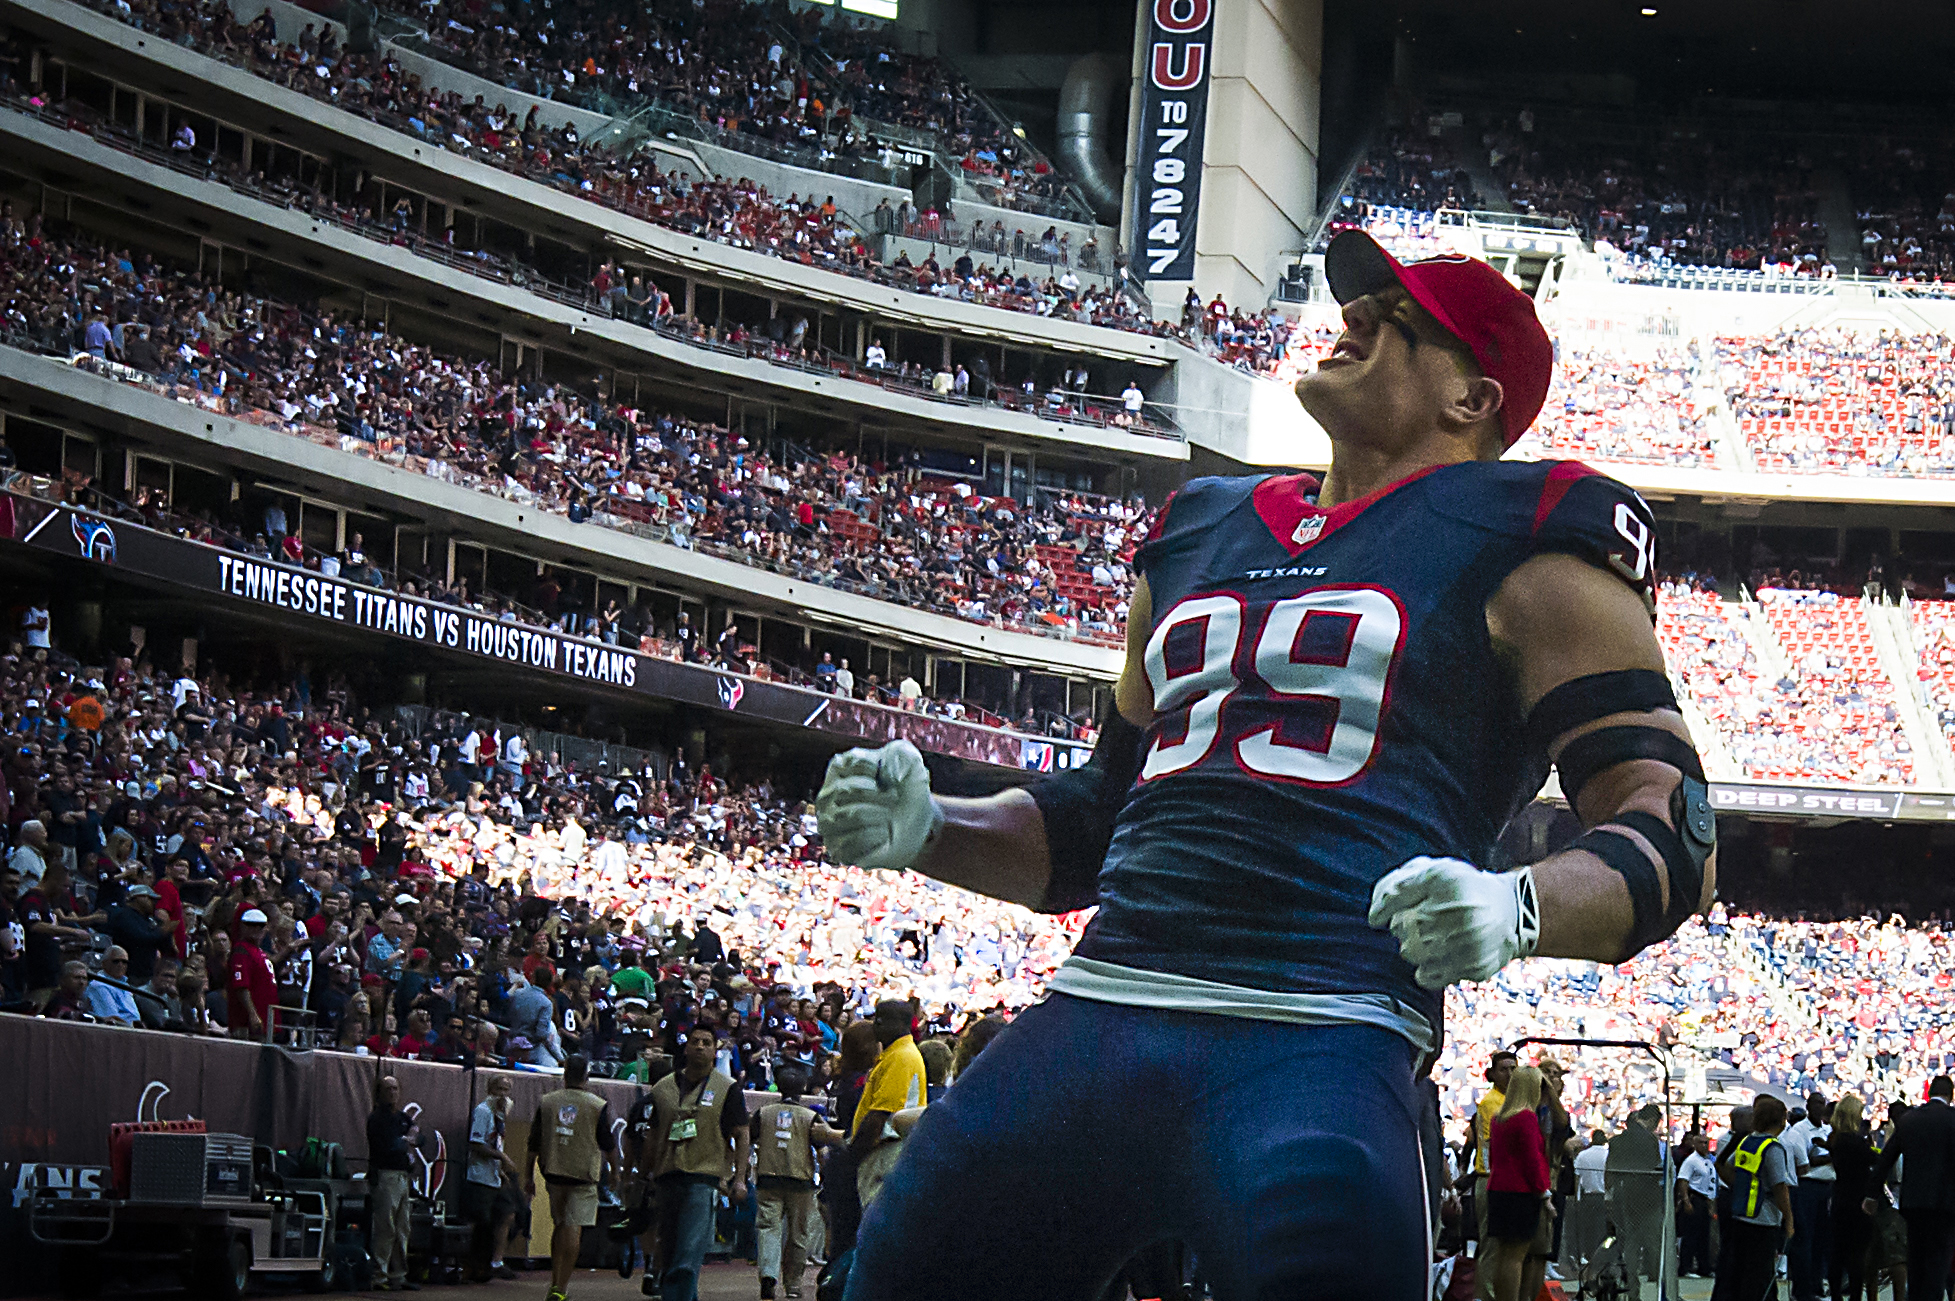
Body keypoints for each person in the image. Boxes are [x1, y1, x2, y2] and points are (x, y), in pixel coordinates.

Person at [815, 228, 1715, 1300]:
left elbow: (1672, 821)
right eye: (1361, 299)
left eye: (1401, 316)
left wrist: (1521, 906)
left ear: (1472, 399)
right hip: (1098, 1009)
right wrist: (933, 828)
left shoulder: (1527, 539)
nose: (1360, 313)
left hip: (1319, 1034)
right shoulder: (1200, 527)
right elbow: (1098, 822)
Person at [641, 1026, 749, 1301]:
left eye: (707, 1042)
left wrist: (739, 1178)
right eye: (695, 1041)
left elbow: (742, 1133)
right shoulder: (662, 1088)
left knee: (688, 1254)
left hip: (703, 1178)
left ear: (715, 1050)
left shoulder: (728, 1089)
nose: (700, 1046)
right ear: (685, 1047)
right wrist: (643, 1175)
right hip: (667, 1176)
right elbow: (652, 1135)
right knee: (668, 1251)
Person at [524, 1053, 615, 1301]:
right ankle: (561, 1288)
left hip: (553, 1172)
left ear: (564, 1074)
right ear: (587, 1075)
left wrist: (527, 1176)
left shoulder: (547, 1101)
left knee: (560, 1225)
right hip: (583, 1175)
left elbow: (533, 1142)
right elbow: (609, 1144)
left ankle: (554, 1281)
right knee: (573, 1230)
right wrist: (616, 1173)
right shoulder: (597, 1105)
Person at [753, 1066, 845, 1300]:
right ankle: (793, 1285)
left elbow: (750, 1141)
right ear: (803, 1089)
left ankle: (768, 1276)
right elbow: (822, 1152)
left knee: (768, 1228)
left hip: (768, 1178)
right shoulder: (810, 1117)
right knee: (798, 1234)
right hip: (800, 1181)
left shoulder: (763, 1113)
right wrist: (826, 1179)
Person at [1867, 1074, 1955, 1301]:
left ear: (1929, 1093)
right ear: (1951, 1095)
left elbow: (1885, 1160)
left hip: (1913, 1201)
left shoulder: (1909, 1120)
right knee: (1938, 1261)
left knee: (1915, 1258)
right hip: (1945, 1203)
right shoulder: (1952, 1120)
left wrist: (1872, 1194)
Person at [849, 1000, 926, 1210]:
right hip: (884, 1150)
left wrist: (852, 1155)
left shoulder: (902, 1056)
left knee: (873, 1218)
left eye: (879, 1021)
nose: (875, 1026)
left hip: (886, 1151)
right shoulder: (896, 1053)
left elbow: (880, 1115)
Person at [1484, 1066, 1552, 1301]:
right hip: (1520, 1192)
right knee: (1516, 1257)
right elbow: (1532, 1160)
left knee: (1503, 1255)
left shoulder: (1499, 1117)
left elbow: (1493, 1156)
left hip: (1498, 1189)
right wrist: (1544, 1193)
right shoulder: (1526, 1118)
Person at [1728, 1094, 1796, 1301]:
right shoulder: (1772, 1147)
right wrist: (1790, 1220)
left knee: (1744, 1273)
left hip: (1741, 1213)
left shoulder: (1747, 1141)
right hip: (1764, 1217)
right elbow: (1779, 1187)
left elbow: (1729, 1167)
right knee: (1762, 1274)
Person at [464, 1072, 523, 1283]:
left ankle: (496, 1262)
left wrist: (500, 1169)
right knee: (481, 1223)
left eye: (507, 1090)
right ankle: (473, 1266)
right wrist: (502, 1157)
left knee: (509, 1213)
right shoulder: (483, 1111)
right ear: (490, 1090)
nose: (503, 1094)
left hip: (494, 1175)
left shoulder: (500, 1113)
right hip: (479, 1175)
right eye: (499, 1089)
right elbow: (476, 1143)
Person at [367, 1075, 422, 1292]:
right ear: (379, 1092)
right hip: (385, 1176)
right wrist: (406, 1139)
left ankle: (398, 1275)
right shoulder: (377, 1119)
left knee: (402, 1228)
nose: (392, 1093)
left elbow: (417, 1135)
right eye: (388, 1089)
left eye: (395, 1088)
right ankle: (379, 1275)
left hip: (402, 1177)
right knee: (385, 1227)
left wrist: (412, 1134)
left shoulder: (401, 1118)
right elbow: (390, 1146)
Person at [1606, 1103, 1668, 1298]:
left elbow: (1609, 1173)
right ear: (1653, 1121)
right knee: (1655, 1245)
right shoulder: (1649, 1140)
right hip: (1648, 1199)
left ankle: (1631, 1291)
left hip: (1625, 1198)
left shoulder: (1617, 1142)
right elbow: (1655, 1168)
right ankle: (1662, 1290)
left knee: (1630, 1246)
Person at [1789, 1093, 1835, 1301]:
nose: (1820, 1108)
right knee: (1805, 1239)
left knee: (1822, 1240)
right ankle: (1802, 1290)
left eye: (1822, 1104)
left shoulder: (1828, 1130)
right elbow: (1806, 1161)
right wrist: (1830, 1155)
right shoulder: (1800, 1130)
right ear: (1808, 1106)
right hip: (1807, 1186)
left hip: (1828, 1186)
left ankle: (1817, 1286)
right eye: (1815, 1104)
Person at [1829, 1093, 1875, 1301]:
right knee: (1857, 1253)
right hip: (1858, 1200)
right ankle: (1855, 1296)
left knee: (1838, 1251)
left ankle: (1836, 1294)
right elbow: (1876, 1159)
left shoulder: (1835, 1138)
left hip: (1840, 1197)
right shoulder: (1855, 1142)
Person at [228, 908, 278, 1042]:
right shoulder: (241, 951)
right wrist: (253, 1014)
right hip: (248, 1024)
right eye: (251, 925)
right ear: (243, 926)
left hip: (265, 1019)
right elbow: (241, 986)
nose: (256, 929)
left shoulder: (258, 951)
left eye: (260, 926)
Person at [1676, 1130, 1717, 1278]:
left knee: (1704, 1236)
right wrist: (1686, 1201)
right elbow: (1683, 1180)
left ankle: (1704, 1267)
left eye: (1706, 1142)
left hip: (1705, 1200)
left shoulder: (1708, 1161)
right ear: (1694, 1144)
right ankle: (1685, 1268)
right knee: (1691, 1235)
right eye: (1701, 1142)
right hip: (1695, 1198)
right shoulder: (1691, 1161)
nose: (1704, 1145)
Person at [86, 947, 141, 1026]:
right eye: (116, 961)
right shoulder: (99, 986)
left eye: (124, 962)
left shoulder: (126, 985)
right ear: (104, 963)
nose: (120, 965)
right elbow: (111, 1019)